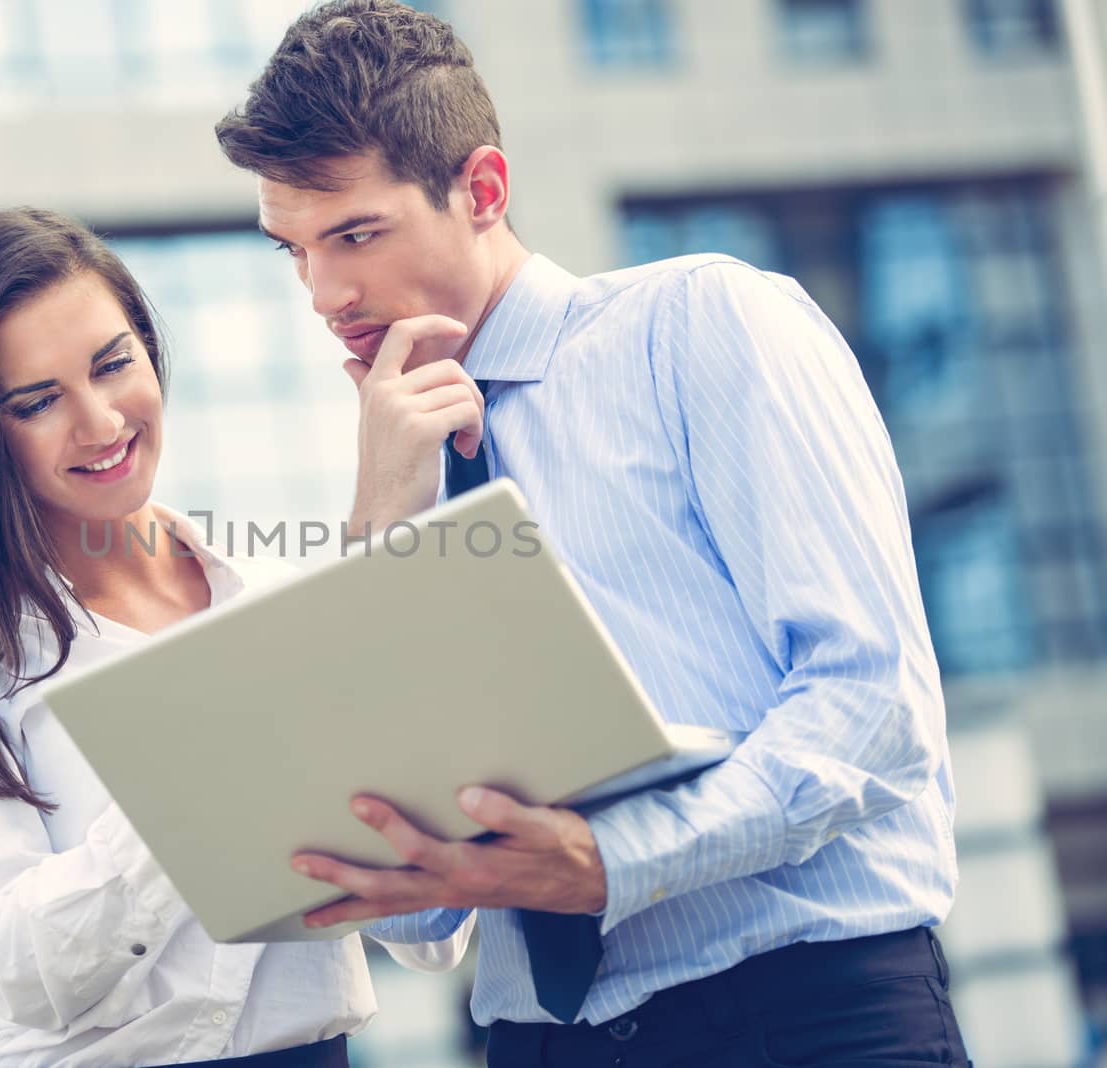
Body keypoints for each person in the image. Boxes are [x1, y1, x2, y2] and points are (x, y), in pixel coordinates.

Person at [214, 3, 971, 1066]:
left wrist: (609, 860)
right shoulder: (398, 465)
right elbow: (408, 921)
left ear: (481, 190)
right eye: (293, 250)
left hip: (800, 1014)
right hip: (543, 1045)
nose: (324, 293)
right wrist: (379, 526)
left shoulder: (702, 326)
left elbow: (871, 704)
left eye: (355, 235)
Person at [0, 207, 467, 1068]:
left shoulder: (272, 605)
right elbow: (23, 971)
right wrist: (226, 768)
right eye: (36, 402)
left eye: (113, 364)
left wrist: (387, 590)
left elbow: (430, 937)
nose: (100, 423)